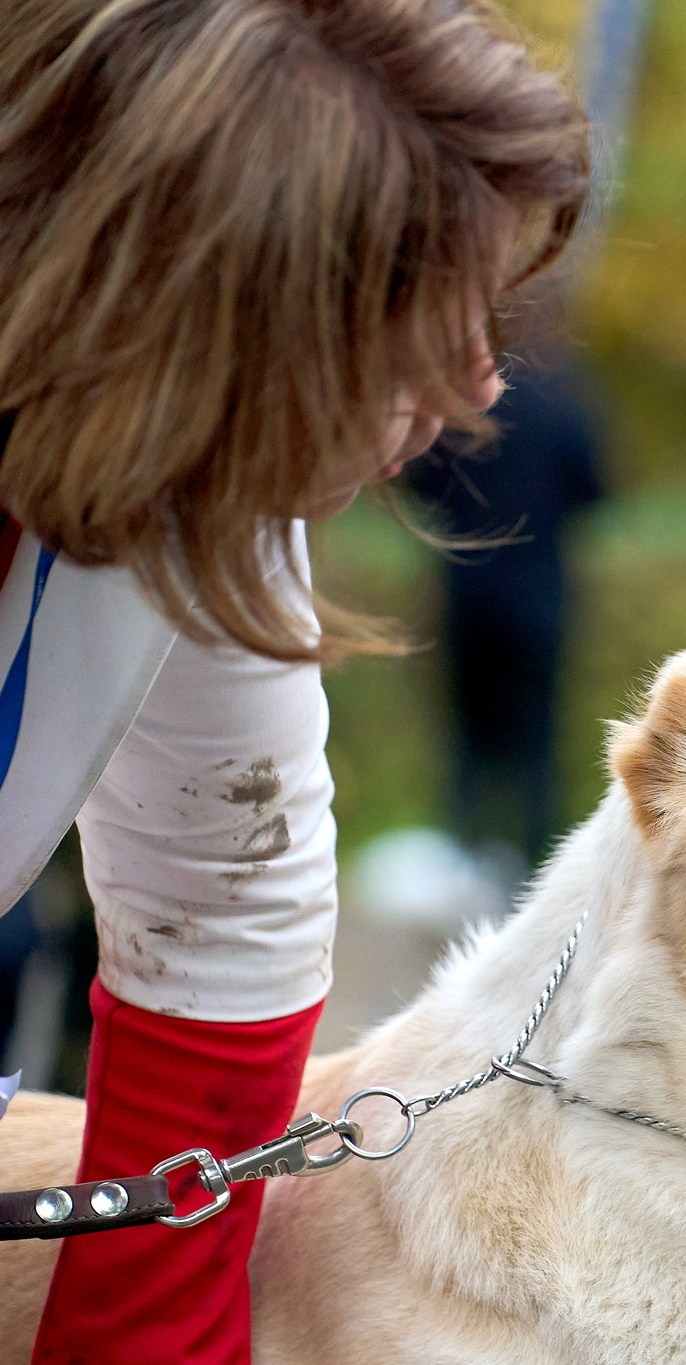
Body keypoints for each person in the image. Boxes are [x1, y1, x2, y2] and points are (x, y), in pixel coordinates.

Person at [0, 0, 589, 1358]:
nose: (477, 386)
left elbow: (224, 911)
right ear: (207, 303)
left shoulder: (194, 471)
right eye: (421, 324)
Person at [405, 319, 606, 874]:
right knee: (537, 739)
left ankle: (463, 860)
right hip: (540, 592)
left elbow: (420, 483)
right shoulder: (565, 400)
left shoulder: (461, 404)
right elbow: (594, 486)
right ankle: (536, 870)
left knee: (467, 737)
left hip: (466, 589)